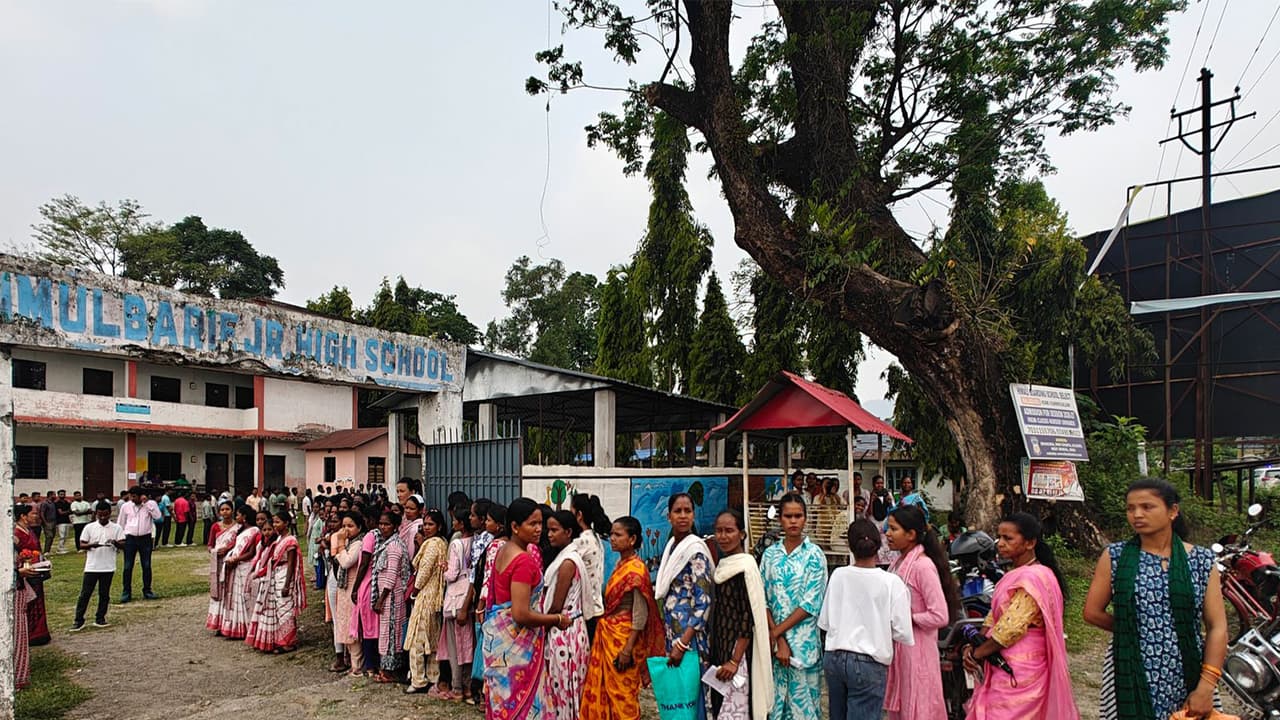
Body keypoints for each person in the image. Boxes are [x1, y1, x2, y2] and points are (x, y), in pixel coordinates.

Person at [1084, 478, 1227, 719]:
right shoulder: (1115, 556)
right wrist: (1136, 630)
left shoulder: (1201, 560)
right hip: (1129, 664)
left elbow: (1217, 626)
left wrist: (1206, 686)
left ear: (1173, 511)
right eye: (1130, 508)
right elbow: (1092, 612)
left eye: (1147, 507)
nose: (1137, 514)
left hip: (1187, 668)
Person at [963, 512, 1078, 719]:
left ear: (1029, 543)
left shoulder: (1033, 577)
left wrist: (978, 653)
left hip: (1020, 668)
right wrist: (975, 644)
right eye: (999, 537)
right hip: (1003, 661)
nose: (1000, 543)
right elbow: (994, 616)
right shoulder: (1016, 574)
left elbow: (1010, 629)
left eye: (1008, 538)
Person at [481, 497, 569, 720]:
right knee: (523, 707)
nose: (539, 529)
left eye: (540, 523)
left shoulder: (503, 550)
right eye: (532, 524)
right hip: (516, 647)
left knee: (504, 707)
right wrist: (557, 619)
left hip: (499, 643)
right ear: (515, 526)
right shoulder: (523, 561)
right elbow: (520, 614)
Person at [819, 518, 914, 720]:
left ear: (850, 545)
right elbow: (902, 632)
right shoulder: (892, 583)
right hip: (869, 661)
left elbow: (825, 622)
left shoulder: (838, 575)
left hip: (835, 656)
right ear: (878, 545)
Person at [581, 515, 664, 720]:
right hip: (610, 634)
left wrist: (627, 650)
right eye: (611, 534)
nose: (612, 538)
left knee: (623, 695)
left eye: (618, 535)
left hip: (624, 640)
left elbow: (640, 613)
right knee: (606, 692)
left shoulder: (636, 570)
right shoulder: (621, 564)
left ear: (632, 539)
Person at [883, 504, 959, 720]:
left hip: (918, 652)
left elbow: (940, 615)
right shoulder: (898, 562)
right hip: (900, 649)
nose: (887, 534)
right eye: (888, 528)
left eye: (893, 529)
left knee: (919, 706)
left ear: (911, 534)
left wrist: (905, 618)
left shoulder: (922, 566)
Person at [760, 493, 827, 720]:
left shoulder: (815, 556)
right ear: (780, 518)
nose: (793, 521)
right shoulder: (769, 555)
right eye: (788, 516)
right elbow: (762, 599)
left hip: (803, 647)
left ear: (805, 518)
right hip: (774, 648)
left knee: (804, 710)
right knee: (775, 709)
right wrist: (778, 639)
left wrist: (777, 633)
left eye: (798, 516)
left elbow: (810, 604)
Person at [709, 509, 774, 720]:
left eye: (729, 531)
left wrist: (734, 661)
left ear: (742, 534)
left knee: (736, 711)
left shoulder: (745, 567)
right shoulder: (724, 565)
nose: (723, 536)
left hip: (738, 655)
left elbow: (748, 617)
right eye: (719, 531)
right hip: (721, 649)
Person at [656, 492, 715, 720]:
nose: (683, 516)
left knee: (693, 695)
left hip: (691, 639)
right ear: (669, 516)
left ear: (693, 515)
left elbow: (703, 602)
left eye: (687, 511)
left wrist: (682, 644)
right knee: (678, 697)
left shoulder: (695, 551)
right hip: (674, 634)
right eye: (677, 511)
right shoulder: (672, 546)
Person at [541, 510, 590, 719]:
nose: (549, 534)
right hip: (573, 628)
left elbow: (556, 605)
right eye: (548, 530)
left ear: (568, 532)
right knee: (568, 685)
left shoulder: (568, 562)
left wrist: (541, 625)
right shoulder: (567, 558)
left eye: (554, 530)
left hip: (564, 630)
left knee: (563, 685)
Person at [355, 510, 409, 682]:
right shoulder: (386, 544)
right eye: (381, 524)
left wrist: (381, 599)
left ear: (395, 526)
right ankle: (386, 669)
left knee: (391, 632)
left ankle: (390, 670)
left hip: (391, 596)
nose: (383, 527)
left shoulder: (394, 546)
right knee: (387, 632)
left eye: (387, 524)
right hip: (387, 595)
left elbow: (391, 575)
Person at [246, 511, 306, 653]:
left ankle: (289, 642)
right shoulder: (279, 539)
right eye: (274, 522)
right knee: (278, 610)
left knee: (286, 609)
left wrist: (287, 585)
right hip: (276, 574)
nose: (275, 525)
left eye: (278, 522)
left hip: (285, 575)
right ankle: (280, 640)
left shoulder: (290, 540)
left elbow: (291, 564)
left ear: (286, 523)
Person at [405, 508, 449, 696]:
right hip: (436, 596)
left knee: (417, 640)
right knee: (432, 640)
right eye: (425, 524)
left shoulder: (432, 545)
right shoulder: (442, 543)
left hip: (426, 596)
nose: (427, 527)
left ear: (439, 526)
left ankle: (418, 680)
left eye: (431, 524)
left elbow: (423, 572)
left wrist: (414, 591)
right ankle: (433, 677)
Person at [70, 501, 126, 631]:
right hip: (92, 566)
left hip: (108, 566)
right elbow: (82, 544)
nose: (103, 517)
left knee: (104, 594)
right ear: (96, 514)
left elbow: (123, 544)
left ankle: (100, 618)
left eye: (105, 515)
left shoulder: (116, 528)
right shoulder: (89, 527)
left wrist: (115, 543)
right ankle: (78, 620)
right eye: (100, 515)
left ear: (110, 513)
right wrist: (92, 545)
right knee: (85, 594)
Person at [440, 507, 476, 700]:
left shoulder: (456, 544)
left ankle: (457, 687)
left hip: (456, 598)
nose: (452, 523)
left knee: (454, 646)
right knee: (469, 643)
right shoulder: (477, 541)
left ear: (461, 524)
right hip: (470, 596)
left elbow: (452, 574)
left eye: (454, 520)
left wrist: (444, 569)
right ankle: (469, 685)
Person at [330, 510, 366, 675]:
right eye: (344, 526)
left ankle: (357, 666)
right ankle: (352, 663)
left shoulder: (358, 543)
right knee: (345, 625)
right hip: (344, 589)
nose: (346, 530)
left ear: (359, 527)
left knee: (353, 627)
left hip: (353, 588)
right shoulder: (349, 542)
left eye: (350, 526)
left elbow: (345, 562)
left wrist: (341, 544)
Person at [219, 506, 264, 639]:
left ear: (244, 517)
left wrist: (236, 559)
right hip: (237, 566)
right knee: (235, 597)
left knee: (243, 596)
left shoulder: (254, 531)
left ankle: (246, 627)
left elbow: (251, 552)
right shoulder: (242, 530)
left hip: (244, 566)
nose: (236, 517)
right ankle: (236, 627)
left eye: (238, 515)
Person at [571, 493, 609, 640]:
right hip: (596, 605)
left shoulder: (581, 541)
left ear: (579, 515)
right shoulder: (595, 537)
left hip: (585, 609)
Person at [12, 506, 41, 690]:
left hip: (21, 586)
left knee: (19, 634)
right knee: (14, 634)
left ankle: (19, 675)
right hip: (13, 588)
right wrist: (18, 572)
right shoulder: (14, 535)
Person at [14, 502, 51, 646]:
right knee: (29, 602)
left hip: (36, 570)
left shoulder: (29, 530)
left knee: (38, 601)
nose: (36, 516)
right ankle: (30, 633)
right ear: (23, 516)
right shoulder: (17, 533)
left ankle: (40, 632)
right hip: (25, 572)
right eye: (33, 514)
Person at [118, 486, 162, 602]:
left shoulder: (150, 504)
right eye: (130, 496)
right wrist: (120, 538)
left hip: (145, 538)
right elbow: (121, 523)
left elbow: (158, 517)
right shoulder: (126, 506)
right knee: (128, 566)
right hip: (130, 539)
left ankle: (147, 590)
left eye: (134, 496)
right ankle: (126, 592)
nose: (132, 499)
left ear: (141, 496)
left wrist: (147, 504)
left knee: (146, 565)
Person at [205, 501, 240, 633]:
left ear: (232, 510)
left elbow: (239, 543)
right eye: (222, 510)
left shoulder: (238, 527)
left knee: (230, 589)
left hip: (232, 561)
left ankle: (229, 623)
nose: (225, 512)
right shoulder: (215, 526)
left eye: (227, 509)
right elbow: (210, 545)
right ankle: (218, 623)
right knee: (219, 590)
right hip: (218, 563)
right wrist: (215, 551)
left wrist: (228, 549)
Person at [38, 491, 59, 555]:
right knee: (49, 536)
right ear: (50, 495)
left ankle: (48, 550)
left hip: (53, 522)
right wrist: (45, 522)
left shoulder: (53, 503)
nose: (55, 496)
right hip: (48, 522)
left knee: (52, 536)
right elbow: (42, 513)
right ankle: (46, 551)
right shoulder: (45, 503)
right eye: (54, 495)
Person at [55, 489, 73, 553]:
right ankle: (59, 548)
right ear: (58, 495)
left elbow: (71, 510)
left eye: (63, 494)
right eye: (61, 494)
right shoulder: (57, 503)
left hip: (67, 521)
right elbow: (60, 512)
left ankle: (63, 546)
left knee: (66, 535)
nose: (62, 495)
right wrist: (68, 511)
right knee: (62, 536)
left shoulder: (67, 502)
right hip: (60, 521)